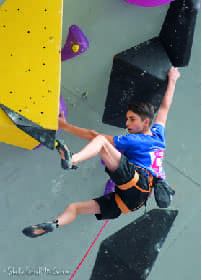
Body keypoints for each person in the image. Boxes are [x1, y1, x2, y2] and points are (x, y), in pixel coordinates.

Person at [22, 66, 180, 238]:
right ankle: (55, 223)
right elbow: (164, 109)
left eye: (132, 119)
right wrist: (172, 80)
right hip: (129, 203)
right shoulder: (158, 136)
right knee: (75, 208)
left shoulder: (135, 140)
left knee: (102, 141)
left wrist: (64, 125)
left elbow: (94, 136)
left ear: (145, 122)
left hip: (138, 183)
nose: (127, 124)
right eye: (127, 119)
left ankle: (71, 160)